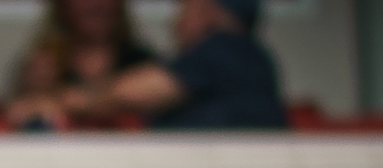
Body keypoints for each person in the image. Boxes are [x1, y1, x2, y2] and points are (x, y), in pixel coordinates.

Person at [23, 0, 286, 131]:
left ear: (204, 11)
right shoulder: (247, 59)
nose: (176, 21)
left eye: (184, 6)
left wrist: (54, 101)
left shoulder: (225, 49)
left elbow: (127, 94)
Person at [5, 0, 163, 128]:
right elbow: (18, 116)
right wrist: (32, 92)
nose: (97, 4)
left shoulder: (143, 63)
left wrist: (63, 101)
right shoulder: (46, 64)